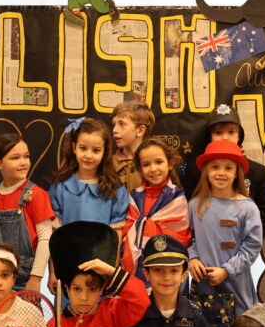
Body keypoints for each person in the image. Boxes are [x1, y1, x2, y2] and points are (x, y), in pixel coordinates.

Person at [188, 140, 263, 327]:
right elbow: (189, 237)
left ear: (237, 172)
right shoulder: (195, 205)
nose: (221, 173)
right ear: (206, 170)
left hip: (236, 285)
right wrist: (192, 258)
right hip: (203, 285)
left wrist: (227, 270)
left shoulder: (247, 208)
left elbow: (252, 246)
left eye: (228, 168)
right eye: (215, 167)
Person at [180, 103, 265, 235]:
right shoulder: (195, 169)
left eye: (231, 132)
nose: (225, 137)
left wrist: (247, 235)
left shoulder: (258, 171)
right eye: (218, 132)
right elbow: (187, 210)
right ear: (210, 137)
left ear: (239, 136)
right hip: (206, 238)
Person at [0, 133, 55, 294]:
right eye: (15, 158)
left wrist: (36, 278)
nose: (24, 162)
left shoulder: (36, 194)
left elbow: (46, 238)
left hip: (26, 278)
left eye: (26, 156)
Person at [121, 138, 191, 280]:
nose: (153, 169)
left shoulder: (177, 198)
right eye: (146, 164)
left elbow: (181, 238)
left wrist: (147, 226)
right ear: (140, 169)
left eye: (159, 162)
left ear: (170, 164)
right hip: (137, 269)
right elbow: (126, 231)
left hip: (166, 271)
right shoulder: (134, 197)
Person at [48, 117, 128, 231]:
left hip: (103, 243)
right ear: (74, 148)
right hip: (67, 242)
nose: (88, 155)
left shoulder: (115, 189)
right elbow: (54, 231)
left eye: (96, 150)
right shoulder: (60, 187)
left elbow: (117, 232)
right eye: (83, 148)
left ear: (104, 152)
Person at [112, 100, 155, 191]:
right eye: (114, 124)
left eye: (122, 124)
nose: (114, 130)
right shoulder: (109, 164)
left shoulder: (156, 161)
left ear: (140, 130)